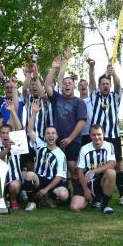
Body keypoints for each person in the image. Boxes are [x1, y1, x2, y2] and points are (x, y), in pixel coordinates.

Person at [44, 57, 87, 197]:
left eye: (70, 83)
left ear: (74, 86)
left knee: (72, 167)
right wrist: (54, 68)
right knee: (57, 167)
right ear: (62, 87)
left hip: (72, 141)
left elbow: (81, 122)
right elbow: (47, 86)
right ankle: (59, 194)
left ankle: (78, 194)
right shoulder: (57, 98)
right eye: (64, 83)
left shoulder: (79, 102)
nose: (67, 85)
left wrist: (69, 138)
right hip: (56, 141)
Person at [89, 62, 123, 206]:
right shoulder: (94, 96)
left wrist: (114, 74)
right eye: (103, 84)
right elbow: (91, 83)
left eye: (107, 84)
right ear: (99, 86)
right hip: (98, 137)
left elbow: (118, 85)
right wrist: (92, 68)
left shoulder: (115, 97)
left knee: (117, 166)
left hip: (113, 137)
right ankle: (99, 196)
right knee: (99, 165)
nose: (105, 86)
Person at [24, 101, 69, 211]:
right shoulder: (40, 145)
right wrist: (34, 113)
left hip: (53, 181)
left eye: (53, 133)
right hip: (40, 179)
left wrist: (46, 189)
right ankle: (32, 202)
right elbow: (30, 131)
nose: (50, 135)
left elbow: (59, 176)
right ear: (44, 135)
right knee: (28, 174)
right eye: (48, 133)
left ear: (57, 136)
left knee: (64, 195)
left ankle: (49, 197)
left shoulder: (60, 154)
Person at [71, 125, 116, 214]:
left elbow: (112, 163)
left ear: (103, 135)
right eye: (94, 135)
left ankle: (104, 205)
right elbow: (79, 170)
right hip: (87, 182)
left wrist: (94, 170)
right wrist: (85, 190)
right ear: (90, 136)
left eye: (99, 134)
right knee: (74, 207)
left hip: (100, 181)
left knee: (111, 172)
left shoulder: (109, 145)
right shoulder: (84, 148)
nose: (97, 137)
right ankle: (93, 199)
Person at [0, 124, 22, 210]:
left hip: (14, 180)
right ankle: (3, 198)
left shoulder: (18, 144)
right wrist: (7, 149)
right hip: (0, 182)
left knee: (14, 185)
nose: (5, 135)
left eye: (8, 133)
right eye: (3, 133)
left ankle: (13, 199)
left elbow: (20, 128)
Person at [78, 76, 93, 146]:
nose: (83, 86)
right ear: (78, 88)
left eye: (85, 84)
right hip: (79, 134)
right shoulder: (76, 101)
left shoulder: (93, 100)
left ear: (88, 87)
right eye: (80, 85)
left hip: (92, 134)